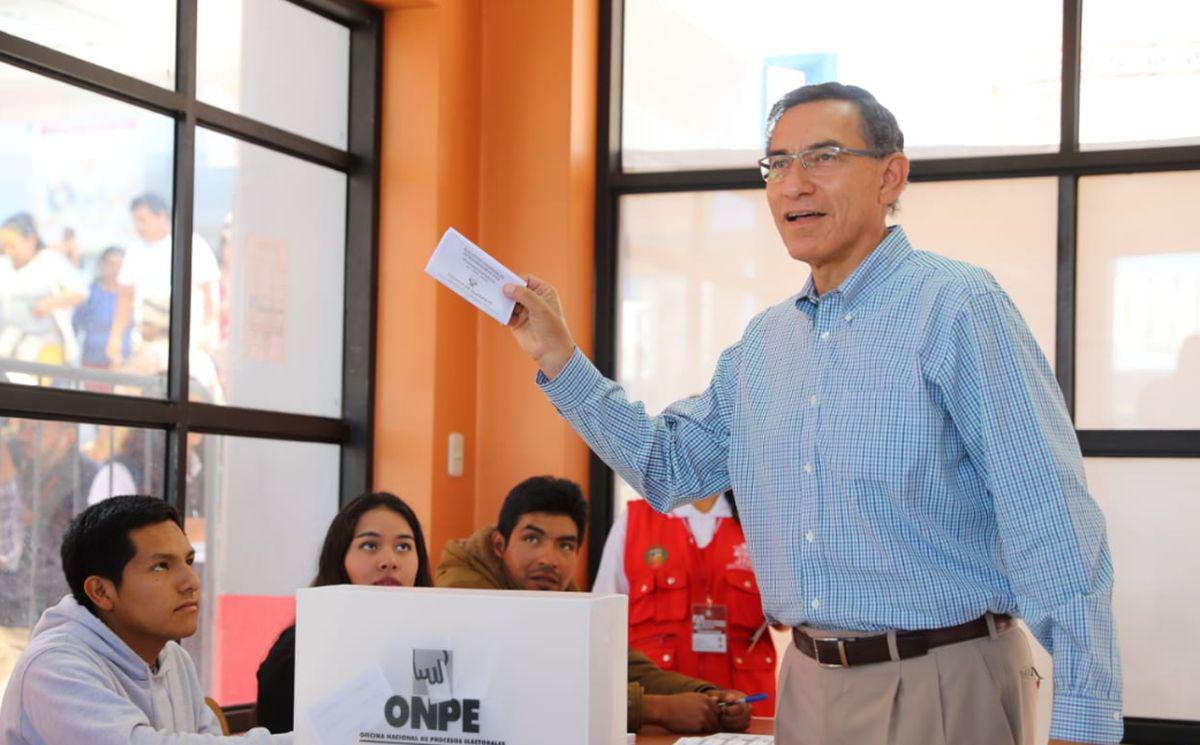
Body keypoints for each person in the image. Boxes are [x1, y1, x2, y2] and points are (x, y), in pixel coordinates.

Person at [500, 82, 1121, 745]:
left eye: (822, 157)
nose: (793, 184)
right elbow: (667, 464)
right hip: (808, 685)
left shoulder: (957, 307)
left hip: (941, 682)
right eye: (777, 164)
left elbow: (1050, 519)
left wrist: (1084, 722)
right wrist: (560, 356)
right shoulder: (764, 346)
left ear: (891, 176)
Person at [435, 475, 752, 735]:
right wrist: (654, 709)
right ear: (500, 544)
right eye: (533, 539)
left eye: (565, 545)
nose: (549, 558)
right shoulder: (465, 588)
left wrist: (709, 695)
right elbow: (521, 685)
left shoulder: (553, 591)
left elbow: (617, 661)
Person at [0, 495, 289, 743]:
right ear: (100, 591)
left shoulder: (173, 657)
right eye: (161, 567)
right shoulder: (53, 666)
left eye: (188, 561)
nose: (191, 582)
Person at [255, 492, 433, 734]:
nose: (389, 561)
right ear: (340, 557)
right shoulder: (294, 653)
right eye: (370, 545)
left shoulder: (436, 644)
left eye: (404, 546)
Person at [593, 490, 776, 716]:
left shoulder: (760, 520)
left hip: (744, 709)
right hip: (662, 711)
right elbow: (603, 621)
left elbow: (787, 617)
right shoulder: (635, 520)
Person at [107, 193, 221, 367]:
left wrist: (209, 328)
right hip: (147, 341)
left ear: (161, 216)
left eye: (143, 220)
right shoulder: (134, 251)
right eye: (136, 221)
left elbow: (210, 293)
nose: (139, 227)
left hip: (189, 344)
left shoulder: (193, 245)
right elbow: (125, 297)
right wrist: (115, 336)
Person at [0, 212, 87, 375]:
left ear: (31, 240)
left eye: (13, 245)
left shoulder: (50, 261)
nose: (8, 251)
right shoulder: (3, 264)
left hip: (45, 344)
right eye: (5, 246)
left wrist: (49, 303)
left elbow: (79, 292)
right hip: (7, 343)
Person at [72, 246, 131, 373]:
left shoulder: (129, 297)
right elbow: (76, 325)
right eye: (110, 264)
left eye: (119, 265)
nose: (115, 269)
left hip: (123, 364)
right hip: (93, 362)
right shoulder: (89, 293)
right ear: (101, 265)